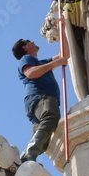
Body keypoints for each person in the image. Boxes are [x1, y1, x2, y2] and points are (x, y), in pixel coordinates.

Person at [12, 31, 69, 163]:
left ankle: (27, 161)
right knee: (51, 118)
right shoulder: (26, 59)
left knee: (43, 140)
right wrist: (54, 64)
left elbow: (64, 56)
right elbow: (31, 73)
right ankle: (28, 155)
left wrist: (64, 32)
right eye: (28, 40)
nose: (32, 41)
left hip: (35, 102)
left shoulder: (40, 63)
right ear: (24, 47)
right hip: (40, 98)